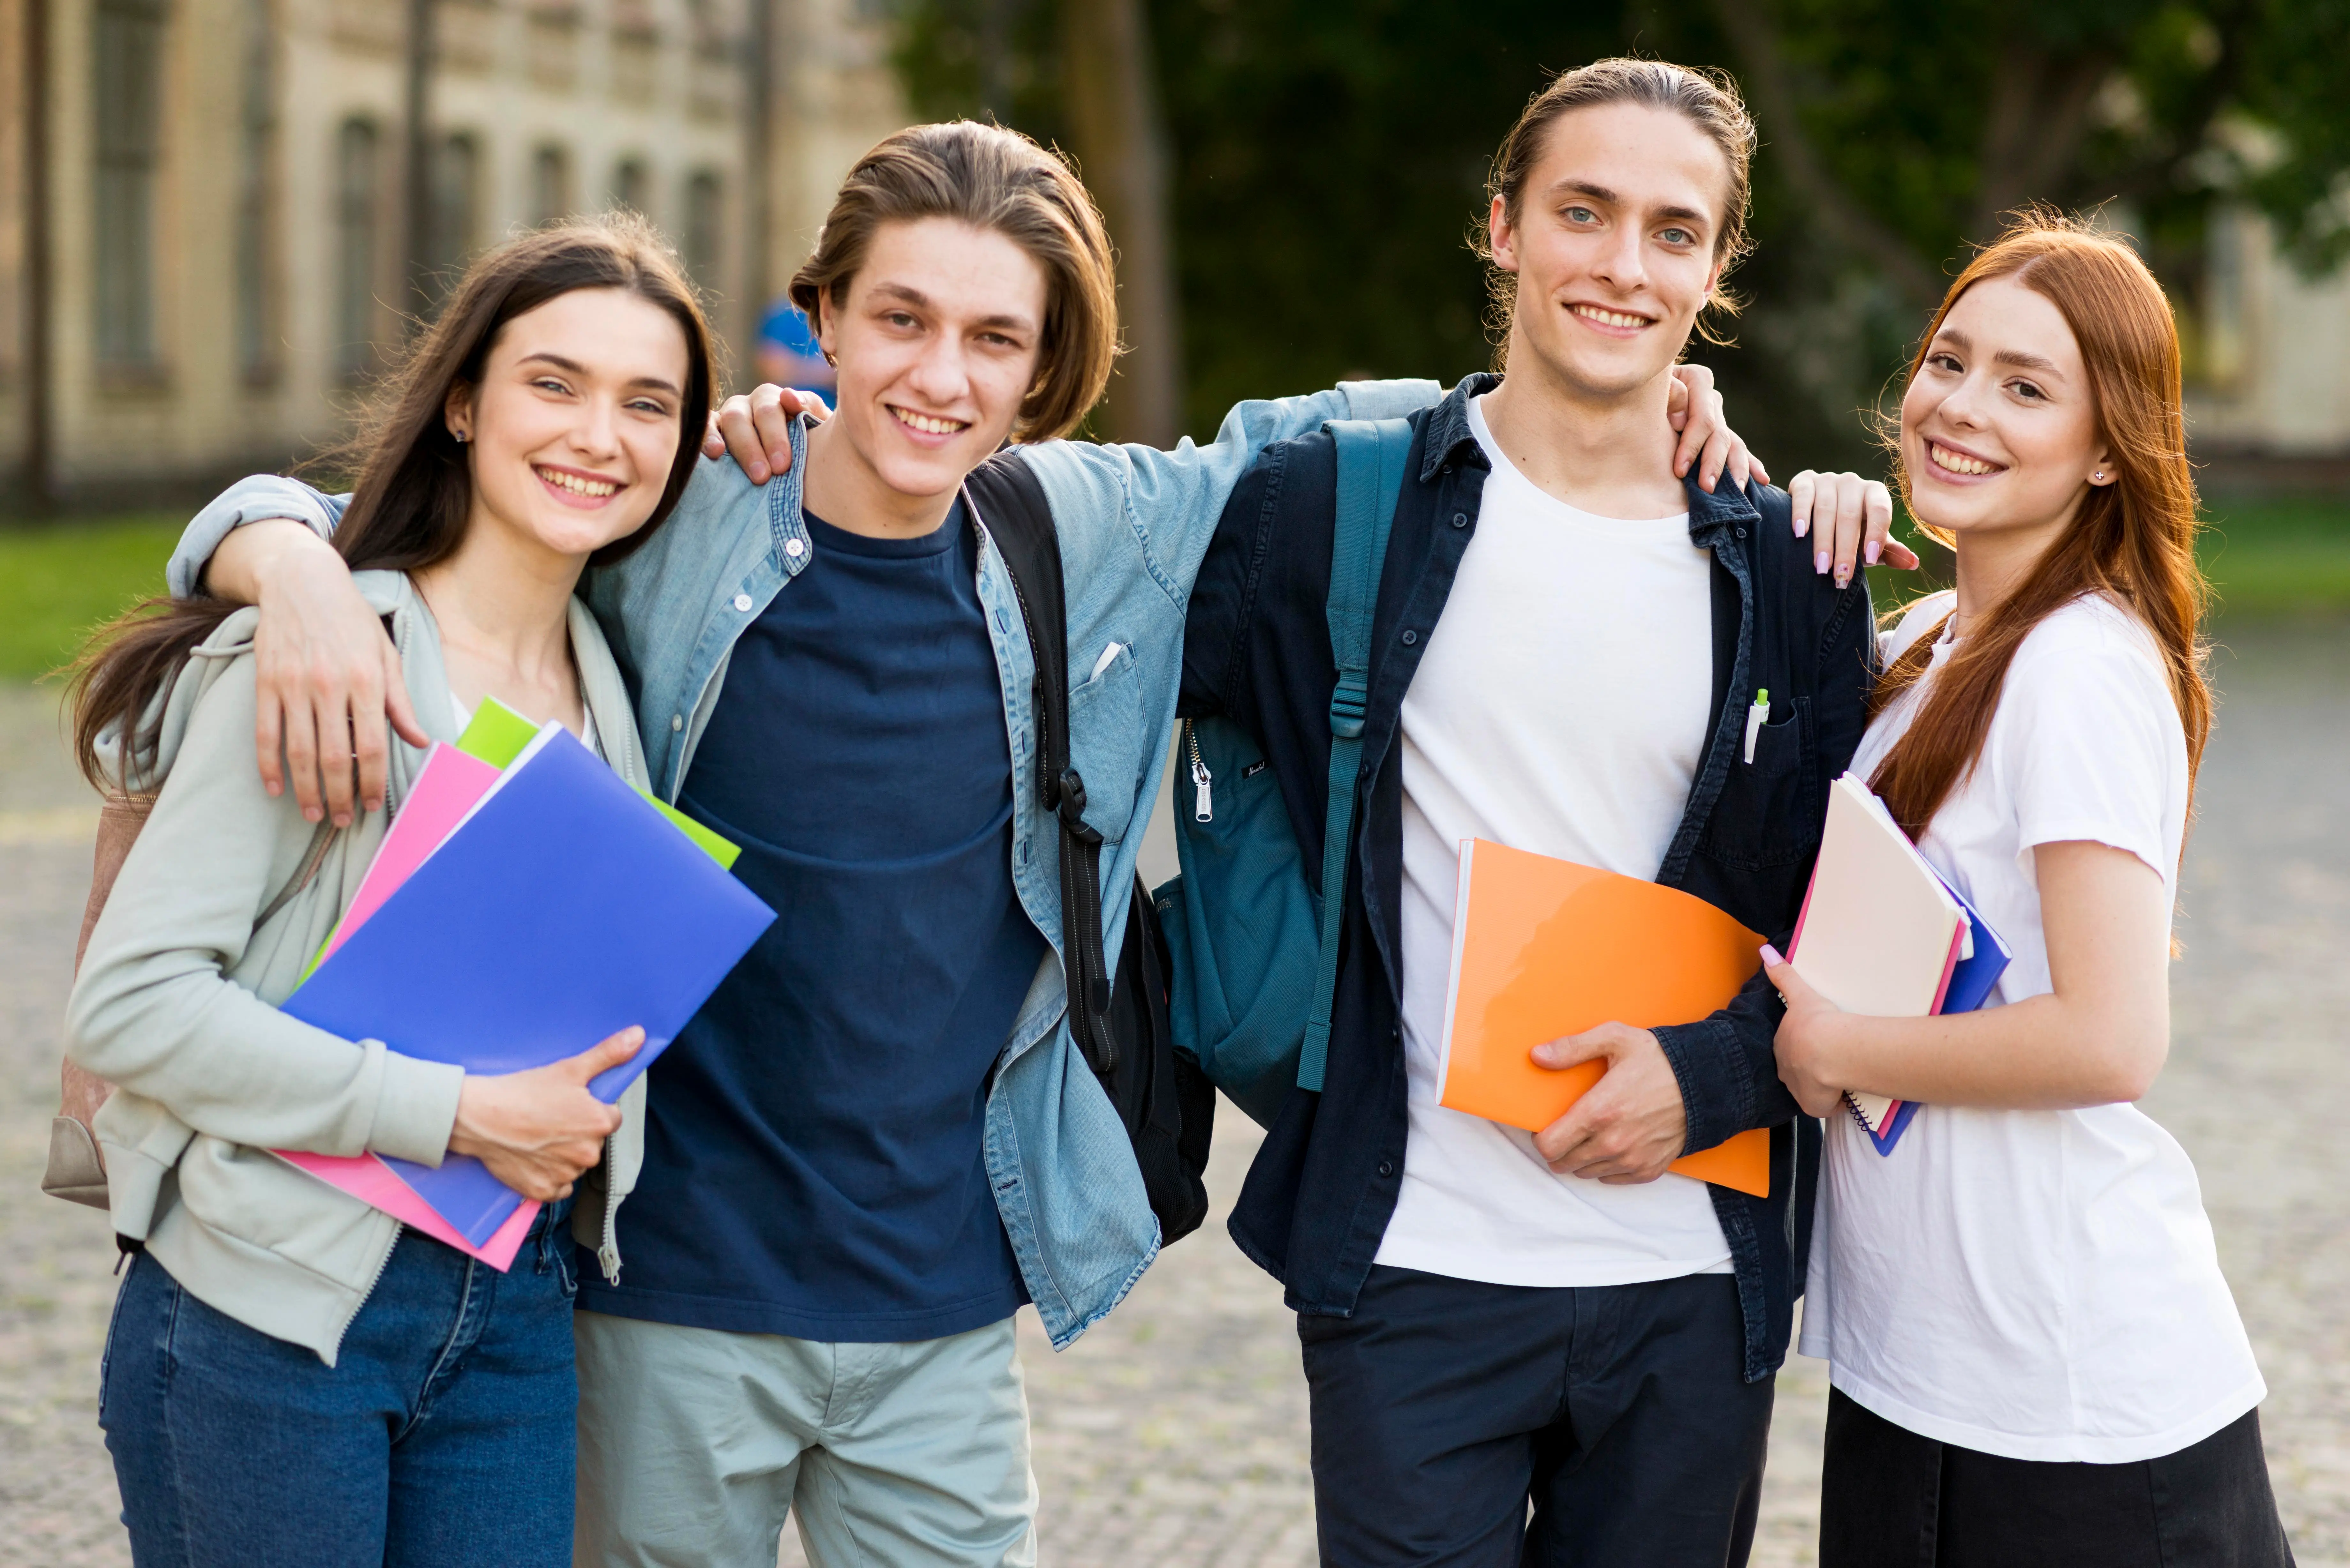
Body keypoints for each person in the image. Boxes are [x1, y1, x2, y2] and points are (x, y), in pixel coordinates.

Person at [166, 119, 1853, 1566]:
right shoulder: (682, 513)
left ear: (1048, 367)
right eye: (897, 319)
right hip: (667, 1297)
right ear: (816, 318)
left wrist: (1651, 379)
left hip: (947, 1318)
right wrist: (284, 562)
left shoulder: (1097, 530)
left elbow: (1381, 430)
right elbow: (407, 510)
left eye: (993, 338)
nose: (936, 376)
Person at [1175, 59, 1888, 1566]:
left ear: (1714, 271)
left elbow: (1872, 936)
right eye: (1583, 212)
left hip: (1693, 1282)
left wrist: (1710, 1077)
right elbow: (1065, 577)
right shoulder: (1329, 515)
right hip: (1413, 1260)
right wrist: (786, 447)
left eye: (1672, 232)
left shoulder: (1792, 577)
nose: (1623, 265)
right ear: (1501, 227)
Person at [63, 216, 717, 1567]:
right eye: (556, 382)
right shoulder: (326, 658)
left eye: (646, 403)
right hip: (265, 1313)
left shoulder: (619, 682)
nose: (602, 434)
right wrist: (460, 1114)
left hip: (514, 1316)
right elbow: (128, 1009)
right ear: (465, 402)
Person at [1765, 214, 2294, 1567]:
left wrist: (1835, 1046)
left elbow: (2112, 1038)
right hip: (1924, 1371)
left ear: (2109, 447)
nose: (1960, 407)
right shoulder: (1928, 639)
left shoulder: (2077, 666)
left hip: (2070, 1408)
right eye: (1951, 360)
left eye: (2025, 386)